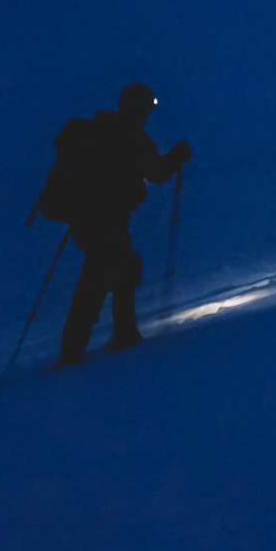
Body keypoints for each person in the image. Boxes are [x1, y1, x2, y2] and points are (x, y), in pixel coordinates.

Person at [58, 82, 191, 366]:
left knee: (120, 270)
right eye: (145, 108)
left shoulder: (97, 130)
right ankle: (82, 349)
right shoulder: (131, 137)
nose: (147, 114)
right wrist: (177, 158)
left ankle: (117, 335)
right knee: (99, 280)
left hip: (83, 220)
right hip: (106, 221)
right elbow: (157, 173)